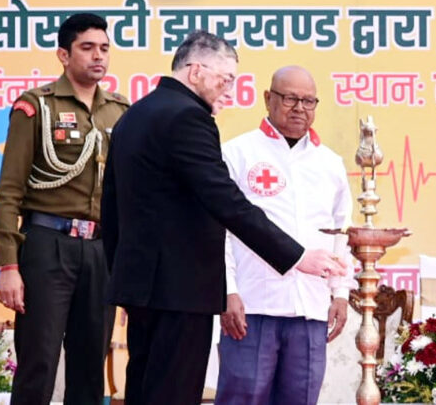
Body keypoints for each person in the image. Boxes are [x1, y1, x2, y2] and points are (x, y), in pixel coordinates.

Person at [101, 31, 346, 405]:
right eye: (226, 79)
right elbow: (227, 202)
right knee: (174, 395)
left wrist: (122, 273)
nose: (230, 91)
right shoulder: (189, 117)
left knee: (144, 390)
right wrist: (297, 256)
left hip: (141, 287)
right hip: (180, 290)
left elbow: (111, 206)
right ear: (196, 71)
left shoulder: (133, 114)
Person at [0, 13, 129, 404]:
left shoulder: (120, 110)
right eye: (87, 48)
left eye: (104, 48)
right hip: (48, 245)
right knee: (38, 363)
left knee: (90, 369)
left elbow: (128, 196)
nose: (98, 56)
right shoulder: (36, 106)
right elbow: (10, 190)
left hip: (100, 250)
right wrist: (8, 265)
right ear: (64, 55)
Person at [216, 66, 355, 405]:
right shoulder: (237, 153)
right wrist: (227, 291)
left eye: (308, 101)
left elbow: (342, 232)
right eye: (290, 98)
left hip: (310, 308)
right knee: (242, 399)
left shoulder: (330, 163)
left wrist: (340, 293)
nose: (299, 108)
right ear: (268, 99)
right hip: (252, 306)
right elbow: (220, 231)